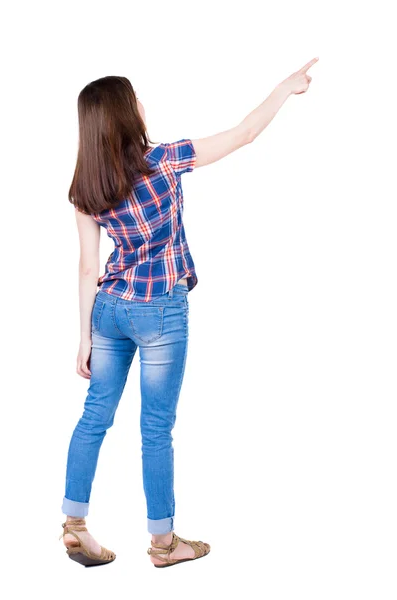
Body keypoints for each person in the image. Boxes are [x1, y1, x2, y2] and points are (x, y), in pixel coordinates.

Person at [59, 57, 319, 568]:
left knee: (94, 418)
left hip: (108, 311)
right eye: (133, 98)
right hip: (160, 314)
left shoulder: (85, 188)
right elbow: (244, 134)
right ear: (125, 114)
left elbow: (89, 265)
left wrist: (84, 336)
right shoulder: (166, 159)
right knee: (155, 428)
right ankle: (163, 544)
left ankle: (74, 525)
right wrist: (285, 88)